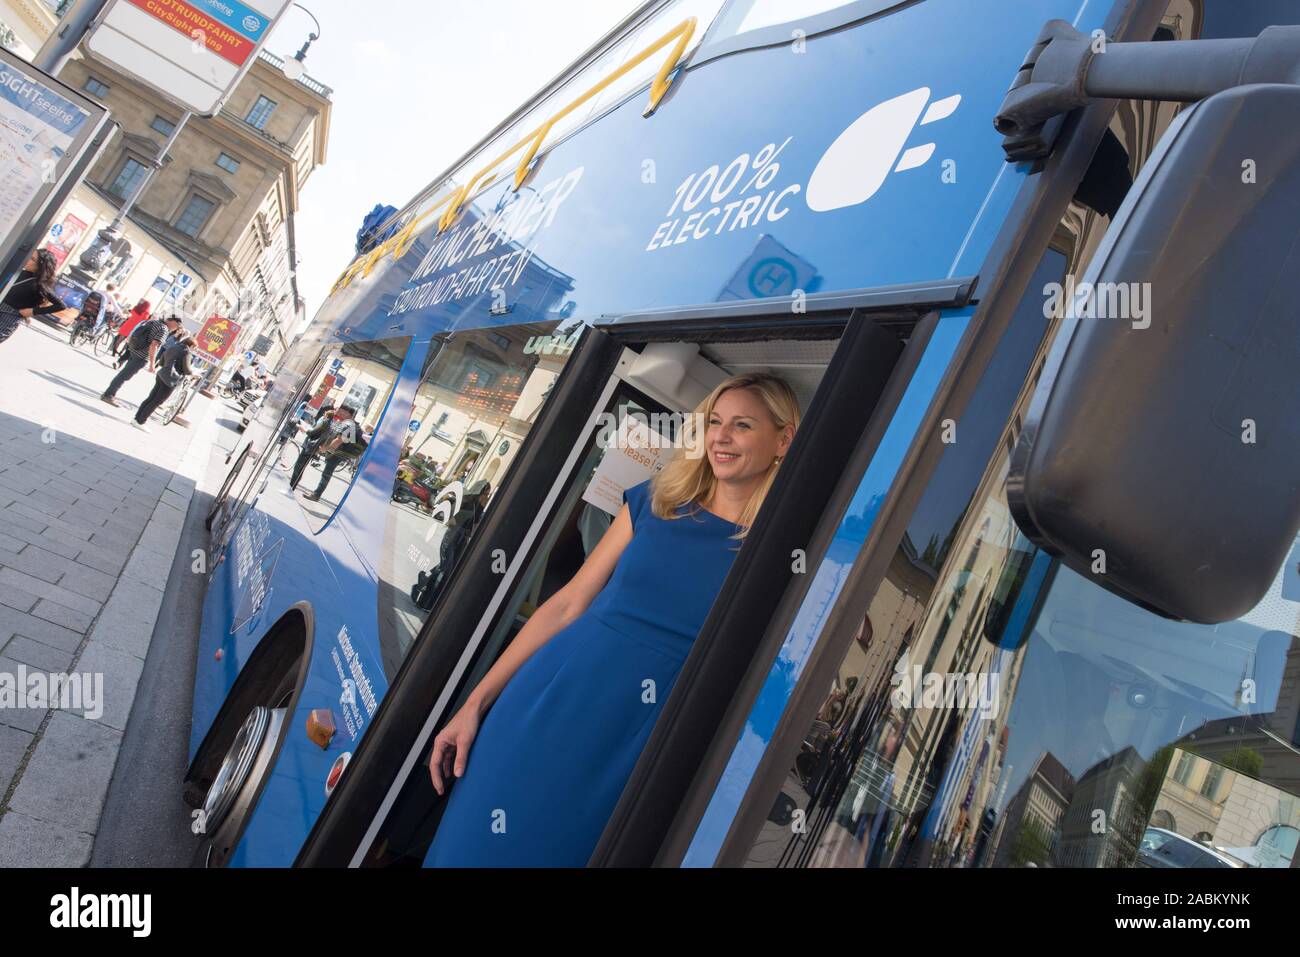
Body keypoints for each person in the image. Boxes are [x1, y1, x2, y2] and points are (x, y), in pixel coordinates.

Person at [422, 372, 799, 867]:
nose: (721, 437)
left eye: (742, 425)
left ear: (783, 440)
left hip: (638, 741)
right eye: (714, 422)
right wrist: (473, 704)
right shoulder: (658, 500)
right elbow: (565, 605)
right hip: (547, 702)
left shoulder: (779, 556)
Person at [101, 314, 179, 407]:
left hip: (134, 350)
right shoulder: (163, 329)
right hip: (142, 356)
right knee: (124, 376)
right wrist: (152, 364)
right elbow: (154, 345)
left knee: (123, 374)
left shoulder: (154, 322)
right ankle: (108, 395)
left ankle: (109, 392)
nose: (176, 329)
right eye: (177, 326)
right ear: (173, 321)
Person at [0, 249, 66, 346]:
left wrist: (33, 311)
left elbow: (61, 305)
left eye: (32, 259)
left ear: (40, 266)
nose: (28, 260)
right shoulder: (20, 272)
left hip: (7, 319)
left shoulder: (40, 285)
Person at [132, 331, 194, 430]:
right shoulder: (186, 352)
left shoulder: (174, 346)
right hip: (171, 379)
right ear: (191, 346)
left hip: (162, 373)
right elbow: (187, 369)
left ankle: (136, 418)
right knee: (157, 401)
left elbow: (162, 359)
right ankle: (141, 421)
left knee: (151, 398)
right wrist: (193, 373)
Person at [288, 404, 356, 493]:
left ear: (346, 413)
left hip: (317, 446)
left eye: (340, 410)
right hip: (318, 447)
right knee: (301, 467)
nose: (337, 410)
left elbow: (337, 438)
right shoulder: (338, 422)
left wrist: (326, 447)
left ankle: (292, 488)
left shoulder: (342, 424)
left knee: (300, 467)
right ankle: (293, 486)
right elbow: (332, 435)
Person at [301, 406, 361, 501]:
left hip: (340, 453)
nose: (339, 412)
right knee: (327, 473)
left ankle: (316, 495)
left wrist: (326, 448)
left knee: (326, 473)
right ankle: (316, 493)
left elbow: (339, 440)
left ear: (348, 413)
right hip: (342, 452)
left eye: (342, 411)